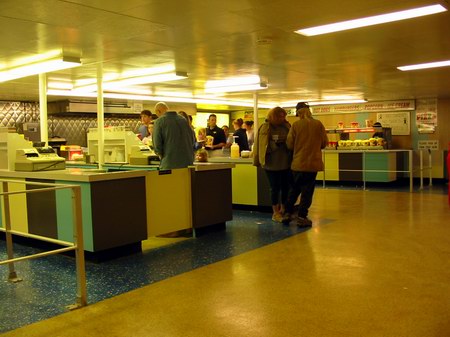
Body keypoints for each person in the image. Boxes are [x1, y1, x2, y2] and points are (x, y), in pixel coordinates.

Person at [282, 102, 328, 227]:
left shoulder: (296, 125)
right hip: (313, 164)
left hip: (298, 163)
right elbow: (324, 143)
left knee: (294, 189)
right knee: (307, 191)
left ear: (298, 113)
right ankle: (302, 216)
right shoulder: (318, 124)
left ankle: (286, 213)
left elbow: (289, 144)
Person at [253, 107, 291, 222]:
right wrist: (276, 144)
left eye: (283, 116)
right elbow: (261, 145)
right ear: (273, 116)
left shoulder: (287, 126)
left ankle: (284, 209)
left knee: (285, 187)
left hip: (285, 162)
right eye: (280, 116)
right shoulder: (265, 127)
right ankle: (275, 212)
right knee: (274, 188)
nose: (282, 118)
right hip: (271, 163)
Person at [152, 102, 195, 170]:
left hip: (169, 165)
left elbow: (157, 145)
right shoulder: (183, 120)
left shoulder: (159, 122)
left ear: (158, 111)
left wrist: (159, 154)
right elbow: (193, 140)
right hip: (188, 164)